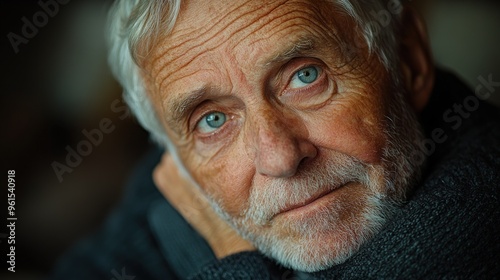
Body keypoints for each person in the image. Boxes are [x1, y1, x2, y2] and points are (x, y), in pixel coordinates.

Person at [51, 0, 500, 279]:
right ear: (174, 156)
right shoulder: (180, 173)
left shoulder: (479, 199)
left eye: (305, 77)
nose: (280, 157)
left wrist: (225, 257)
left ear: (408, 61)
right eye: (212, 120)